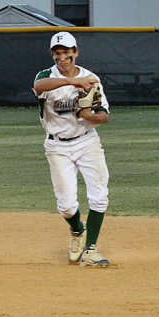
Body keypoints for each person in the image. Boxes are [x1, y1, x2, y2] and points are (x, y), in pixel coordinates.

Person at [33, 31, 111, 267]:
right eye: (57, 54)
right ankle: (78, 230)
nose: (62, 58)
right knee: (66, 205)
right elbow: (39, 86)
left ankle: (91, 250)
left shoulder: (91, 78)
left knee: (99, 194)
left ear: (75, 52)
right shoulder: (46, 76)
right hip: (57, 145)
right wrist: (72, 81)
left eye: (66, 53)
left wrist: (89, 115)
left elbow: (104, 116)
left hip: (87, 141)